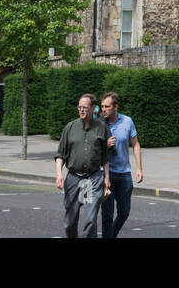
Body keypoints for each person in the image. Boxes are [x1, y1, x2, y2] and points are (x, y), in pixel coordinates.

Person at [54, 94, 111, 238]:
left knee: (90, 220)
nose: (81, 110)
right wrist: (59, 174)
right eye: (79, 107)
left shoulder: (101, 128)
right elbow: (60, 154)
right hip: (73, 178)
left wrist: (107, 177)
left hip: (93, 178)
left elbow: (105, 156)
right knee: (70, 221)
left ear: (93, 108)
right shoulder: (70, 127)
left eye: (85, 107)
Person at [99, 92, 143, 238]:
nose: (103, 109)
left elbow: (135, 144)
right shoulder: (98, 124)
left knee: (124, 212)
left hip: (124, 174)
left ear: (115, 107)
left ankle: (112, 234)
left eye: (107, 106)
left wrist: (139, 168)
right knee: (107, 214)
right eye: (102, 106)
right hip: (106, 175)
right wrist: (105, 145)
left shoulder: (127, 121)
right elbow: (91, 148)